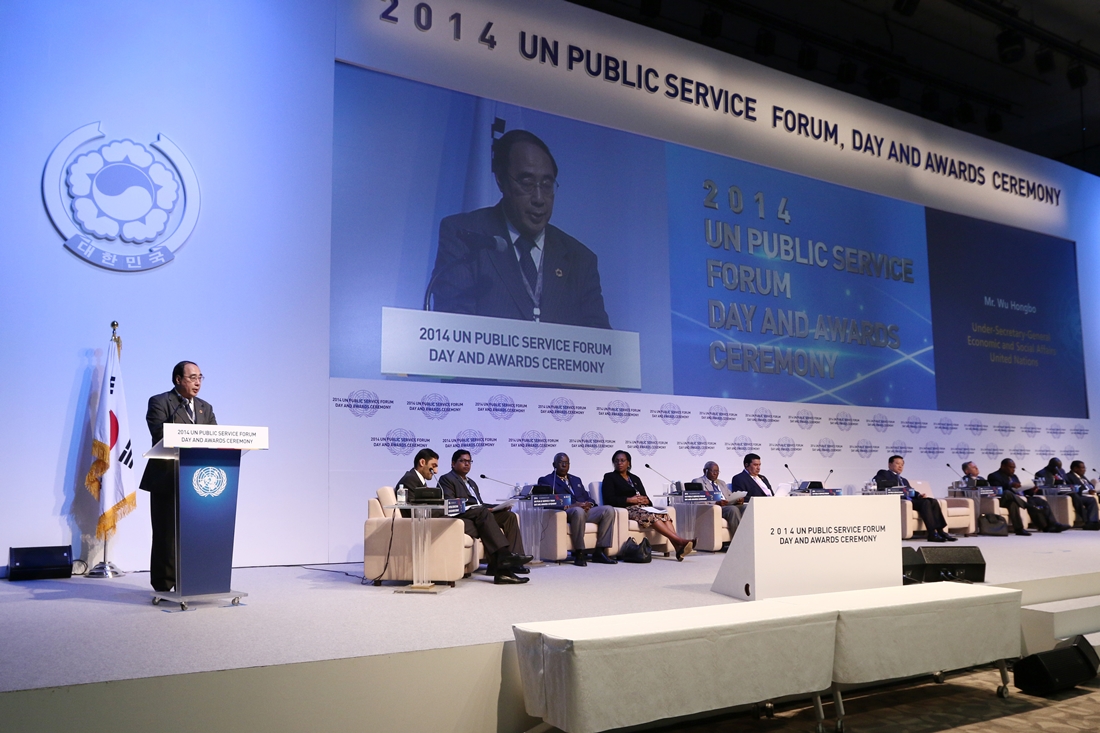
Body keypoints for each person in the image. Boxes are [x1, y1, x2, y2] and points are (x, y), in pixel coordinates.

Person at [429, 129, 611, 329]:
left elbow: (600, 344)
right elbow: (453, 329)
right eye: (527, 184)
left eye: (547, 185)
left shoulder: (580, 260)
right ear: (501, 180)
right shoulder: (465, 236)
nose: (539, 199)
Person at [138, 361, 216, 592]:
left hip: (197, 478)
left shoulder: (205, 407)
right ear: (178, 379)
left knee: (197, 532)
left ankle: (193, 578)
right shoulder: (160, 402)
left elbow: (215, 437)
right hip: (167, 477)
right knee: (166, 534)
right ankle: (164, 584)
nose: (197, 382)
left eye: (200, 377)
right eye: (192, 377)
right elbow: (159, 433)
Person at [437, 450, 532, 585]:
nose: (467, 464)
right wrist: (480, 508)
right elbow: (450, 502)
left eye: (469, 461)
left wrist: (498, 506)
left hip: (479, 512)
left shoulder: (472, 483)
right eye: (463, 461)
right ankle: (504, 557)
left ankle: (514, 561)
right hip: (462, 513)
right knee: (482, 512)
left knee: (509, 516)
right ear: (453, 463)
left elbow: (480, 503)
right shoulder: (447, 479)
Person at [602, 450, 694, 560]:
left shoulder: (635, 478)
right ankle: (680, 541)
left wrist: (646, 501)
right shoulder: (610, 477)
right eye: (616, 461)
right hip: (627, 509)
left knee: (665, 516)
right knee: (651, 516)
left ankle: (678, 548)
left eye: (622, 460)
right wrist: (629, 500)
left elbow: (646, 498)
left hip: (643, 508)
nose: (619, 463)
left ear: (629, 463)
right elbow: (609, 499)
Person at [537, 452, 617, 566]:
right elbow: (547, 501)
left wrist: (589, 503)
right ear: (554, 464)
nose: (564, 465)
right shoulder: (546, 480)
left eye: (567, 463)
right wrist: (570, 506)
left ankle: (600, 551)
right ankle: (579, 552)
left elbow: (587, 497)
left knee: (608, 510)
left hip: (585, 511)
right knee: (578, 511)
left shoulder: (576, 479)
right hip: (568, 512)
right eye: (561, 463)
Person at [874, 455, 956, 542]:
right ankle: (931, 533)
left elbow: (911, 490)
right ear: (889, 465)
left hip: (911, 500)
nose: (900, 466)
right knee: (925, 503)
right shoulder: (884, 473)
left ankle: (940, 531)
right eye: (897, 463)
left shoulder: (903, 479)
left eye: (902, 464)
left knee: (933, 501)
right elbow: (880, 484)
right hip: (902, 501)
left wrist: (919, 495)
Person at [987, 458, 1067, 533]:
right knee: (1007, 492)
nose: (1013, 470)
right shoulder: (993, 476)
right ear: (1003, 466)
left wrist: (1031, 490)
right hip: (1004, 499)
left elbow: (1020, 489)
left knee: (1041, 501)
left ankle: (1050, 525)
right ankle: (1027, 505)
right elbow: (998, 490)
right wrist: (1010, 485)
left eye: (1014, 468)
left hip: (1017, 499)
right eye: (1011, 467)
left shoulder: (1014, 477)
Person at [693, 460, 742, 542]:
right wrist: (716, 503)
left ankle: (751, 537)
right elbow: (700, 499)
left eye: (717, 471)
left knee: (745, 507)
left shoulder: (721, 483)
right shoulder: (698, 482)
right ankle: (739, 541)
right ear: (705, 471)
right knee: (732, 510)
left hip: (727, 505)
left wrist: (737, 499)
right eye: (713, 471)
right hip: (715, 508)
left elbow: (729, 495)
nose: (716, 473)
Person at [1064, 460, 1100, 530]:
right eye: (1082, 468)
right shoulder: (1068, 476)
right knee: (1091, 500)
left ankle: (1094, 522)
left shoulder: (1082, 476)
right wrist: (1088, 491)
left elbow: (1090, 485)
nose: (1084, 470)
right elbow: (1074, 489)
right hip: (1079, 496)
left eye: (1084, 468)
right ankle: (1092, 522)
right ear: (1075, 469)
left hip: (1090, 493)